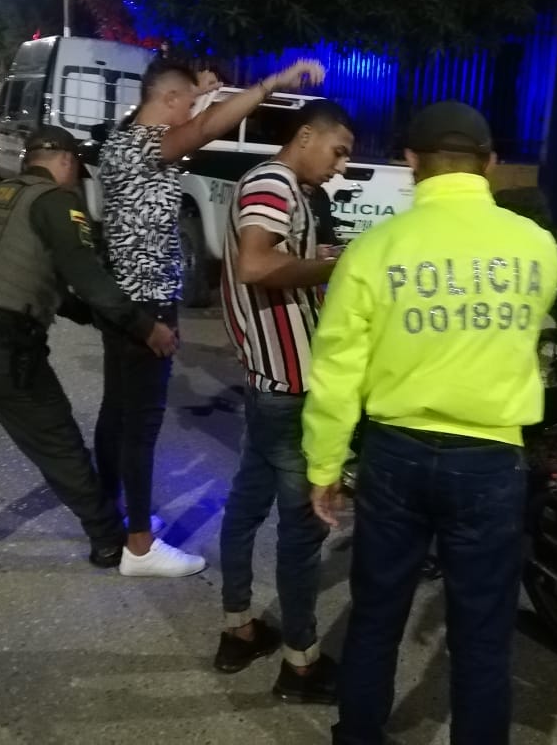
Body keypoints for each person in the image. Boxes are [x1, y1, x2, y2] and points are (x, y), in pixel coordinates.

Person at [302, 101, 557, 744]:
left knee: (376, 613)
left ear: (410, 161)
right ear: (489, 163)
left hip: (396, 455)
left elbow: (337, 369)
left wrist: (324, 465)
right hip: (491, 459)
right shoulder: (536, 246)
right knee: (483, 633)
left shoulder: (374, 249)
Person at [93, 57, 326, 578]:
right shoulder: (145, 144)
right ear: (169, 100)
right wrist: (272, 84)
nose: (194, 112)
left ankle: (109, 520)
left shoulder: (120, 139)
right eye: (188, 102)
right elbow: (202, 128)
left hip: (122, 303)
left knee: (118, 416)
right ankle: (139, 546)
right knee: (140, 426)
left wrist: (198, 93)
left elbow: (191, 118)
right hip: (144, 307)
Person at [0, 126, 174, 579]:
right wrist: (146, 328)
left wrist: (93, 320)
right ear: (66, 161)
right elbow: (89, 280)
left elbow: (35, 279)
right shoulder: (56, 201)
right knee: (59, 445)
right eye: (77, 170)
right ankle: (110, 541)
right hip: (3, 345)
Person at [214, 100, 353, 703]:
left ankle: (239, 630)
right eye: (338, 151)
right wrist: (337, 270)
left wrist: (319, 258)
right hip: (291, 387)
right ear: (305, 136)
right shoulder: (274, 181)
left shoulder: (281, 188)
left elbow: (274, 258)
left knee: (247, 505)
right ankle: (300, 664)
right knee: (303, 528)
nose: (339, 166)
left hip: (268, 382)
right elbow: (255, 263)